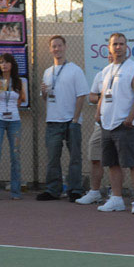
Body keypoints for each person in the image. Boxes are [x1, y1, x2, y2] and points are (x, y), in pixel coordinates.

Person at [96, 33, 134, 215]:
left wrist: (130, 118)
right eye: (115, 44)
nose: (118, 47)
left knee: (132, 163)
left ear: (127, 47)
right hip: (107, 125)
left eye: (121, 44)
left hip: (125, 125)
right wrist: (98, 113)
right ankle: (116, 199)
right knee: (112, 164)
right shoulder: (106, 70)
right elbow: (103, 94)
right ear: (109, 48)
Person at [36, 35, 89, 202]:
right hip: (53, 121)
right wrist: (44, 93)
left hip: (70, 121)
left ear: (65, 47)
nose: (57, 49)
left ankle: (75, 190)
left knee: (74, 157)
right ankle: (53, 190)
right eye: (54, 46)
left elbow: (81, 96)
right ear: (50, 49)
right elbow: (45, 97)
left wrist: (75, 120)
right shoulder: (47, 72)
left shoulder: (75, 70)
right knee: (52, 157)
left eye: (59, 46)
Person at [0, 53, 25, 201]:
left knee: (15, 155)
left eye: (7, 62)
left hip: (14, 121)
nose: (4, 65)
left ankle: (16, 192)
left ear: (12, 65)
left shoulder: (18, 81)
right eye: (1, 62)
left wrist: (15, 102)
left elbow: (22, 98)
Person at [76, 53, 114, 205]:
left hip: (117, 124)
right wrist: (104, 96)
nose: (112, 56)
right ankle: (95, 192)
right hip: (101, 124)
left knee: (115, 161)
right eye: (109, 54)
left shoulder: (127, 73)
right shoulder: (101, 74)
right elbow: (91, 97)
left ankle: (114, 192)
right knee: (95, 157)